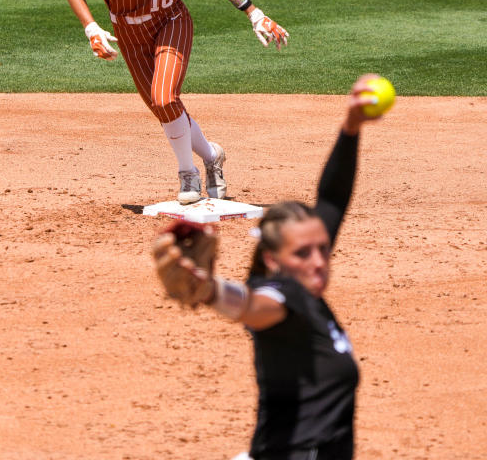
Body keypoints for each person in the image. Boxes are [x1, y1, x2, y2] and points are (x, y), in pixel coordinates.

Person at [153, 75, 383, 460]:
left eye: (322, 249)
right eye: (303, 254)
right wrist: (210, 291)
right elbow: (251, 306)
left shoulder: (303, 288)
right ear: (275, 260)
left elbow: (332, 198)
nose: (319, 261)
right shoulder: (282, 295)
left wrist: (351, 128)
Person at [64, 0, 289, 204]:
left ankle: (189, 176)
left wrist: (253, 11)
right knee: (164, 108)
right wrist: (91, 27)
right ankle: (212, 157)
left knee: (165, 98)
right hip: (128, 35)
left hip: (171, 22)